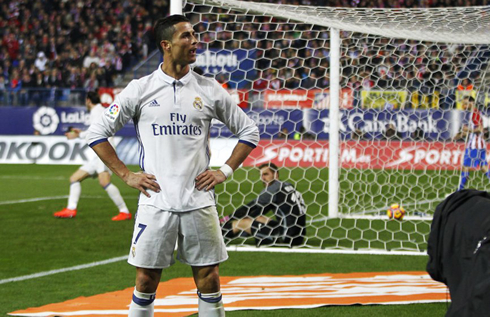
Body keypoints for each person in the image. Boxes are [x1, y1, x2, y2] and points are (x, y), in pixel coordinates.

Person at [85, 15, 259, 317]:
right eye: (186, 37)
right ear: (166, 45)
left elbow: (249, 132)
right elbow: (96, 133)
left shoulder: (209, 88)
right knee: (145, 280)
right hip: (156, 201)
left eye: (194, 35)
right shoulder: (140, 88)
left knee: (209, 279)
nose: (195, 42)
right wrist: (125, 174)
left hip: (199, 201)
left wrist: (224, 170)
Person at [53, 91, 132, 221]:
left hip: (104, 150)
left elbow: (95, 132)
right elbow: (94, 131)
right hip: (99, 154)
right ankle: (71, 209)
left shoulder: (96, 111)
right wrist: (81, 133)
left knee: (104, 182)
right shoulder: (100, 110)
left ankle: (124, 211)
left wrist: (78, 135)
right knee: (74, 178)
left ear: (88, 100)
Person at [220, 163, 306, 247]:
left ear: (276, 174)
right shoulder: (288, 186)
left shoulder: (272, 189)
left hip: (285, 238)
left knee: (243, 223)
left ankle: (220, 236)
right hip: (298, 238)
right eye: (261, 175)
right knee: (260, 218)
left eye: (266, 174)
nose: (263, 178)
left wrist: (225, 219)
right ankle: (230, 233)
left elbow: (248, 208)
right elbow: (260, 211)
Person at [457, 96, 490, 190]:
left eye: (466, 103)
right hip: (481, 144)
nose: (464, 105)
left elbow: (479, 129)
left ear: (472, 102)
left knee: (465, 167)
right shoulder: (475, 113)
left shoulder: (475, 113)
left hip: (474, 146)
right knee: (484, 167)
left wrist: (467, 129)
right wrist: (461, 134)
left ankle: (459, 190)